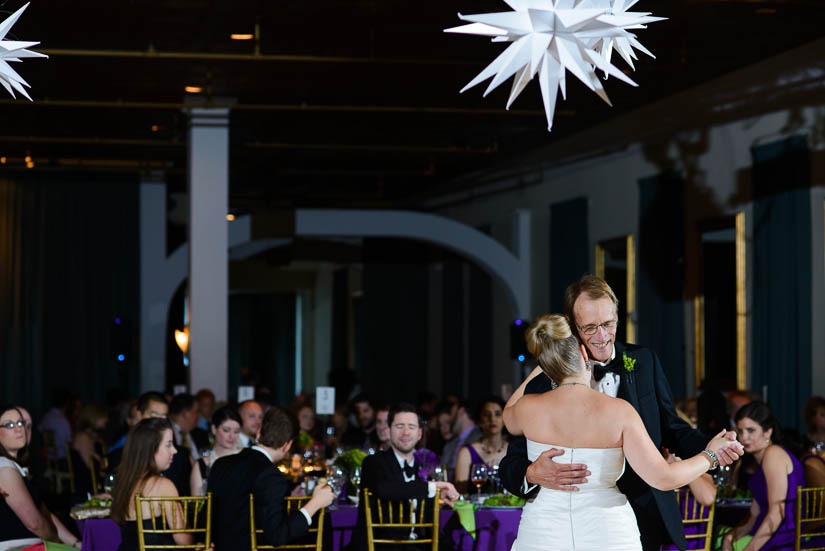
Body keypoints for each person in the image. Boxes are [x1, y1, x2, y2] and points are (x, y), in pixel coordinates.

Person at [500, 276, 742, 551]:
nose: (602, 336)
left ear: (617, 317)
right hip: (566, 523)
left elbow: (673, 429)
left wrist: (712, 446)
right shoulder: (543, 386)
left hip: (639, 510)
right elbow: (511, 462)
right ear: (572, 325)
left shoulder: (643, 360)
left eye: (608, 324)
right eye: (590, 327)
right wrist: (531, 473)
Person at [207, 407, 334, 549]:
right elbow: (278, 536)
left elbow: (210, 515)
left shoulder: (221, 464)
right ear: (288, 445)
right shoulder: (271, 476)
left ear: (259, 434)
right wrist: (315, 503)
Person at [357, 403, 460, 550]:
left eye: (411, 427)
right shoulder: (374, 462)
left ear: (419, 434)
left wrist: (439, 497)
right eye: (399, 426)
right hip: (384, 546)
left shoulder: (423, 468)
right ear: (389, 430)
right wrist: (433, 488)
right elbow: (385, 489)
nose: (405, 432)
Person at [720, 402, 809, 551]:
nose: (744, 437)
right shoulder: (761, 460)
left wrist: (750, 549)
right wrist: (730, 536)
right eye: (740, 431)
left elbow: (777, 514)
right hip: (771, 535)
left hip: (785, 540)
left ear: (768, 432)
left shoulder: (773, 454)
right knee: (721, 538)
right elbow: (754, 517)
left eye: (751, 430)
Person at [0, 405, 82, 550]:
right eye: (9, 425)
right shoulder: (3, 467)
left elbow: (45, 514)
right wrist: (57, 543)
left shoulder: (15, 467)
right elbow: (35, 523)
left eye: (21, 423)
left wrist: (76, 544)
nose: (19, 428)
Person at [111, 418, 192, 551]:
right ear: (151, 449)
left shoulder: (124, 482)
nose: (174, 451)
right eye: (168, 445)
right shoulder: (163, 485)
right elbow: (183, 540)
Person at [455, 397, 508, 492]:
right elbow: (460, 493)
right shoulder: (466, 452)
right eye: (487, 414)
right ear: (479, 419)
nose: (492, 419)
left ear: (504, 419)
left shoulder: (513, 450)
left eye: (498, 414)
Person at [107, 392, 168, 472]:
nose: (159, 421)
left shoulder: (175, 455)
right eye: (153, 415)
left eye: (163, 416)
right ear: (140, 416)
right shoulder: (121, 455)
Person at [190, 406, 242, 496]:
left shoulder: (246, 458)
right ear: (214, 429)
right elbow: (196, 504)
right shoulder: (202, 465)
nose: (231, 436)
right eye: (226, 430)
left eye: (236, 431)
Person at [69, 404, 109, 500]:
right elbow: (90, 464)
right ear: (94, 418)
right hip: (86, 483)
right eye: (103, 417)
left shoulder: (92, 436)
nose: (106, 420)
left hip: (92, 478)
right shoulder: (83, 437)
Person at [441, 399, 481, 470]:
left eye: (451, 413)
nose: (450, 419)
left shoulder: (480, 438)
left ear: (461, 411)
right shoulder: (451, 443)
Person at [37, 390, 73, 462]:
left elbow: (39, 430)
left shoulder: (47, 416)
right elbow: (69, 443)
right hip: (62, 460)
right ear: (67, 403)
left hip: (49, 459)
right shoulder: (62, 420)